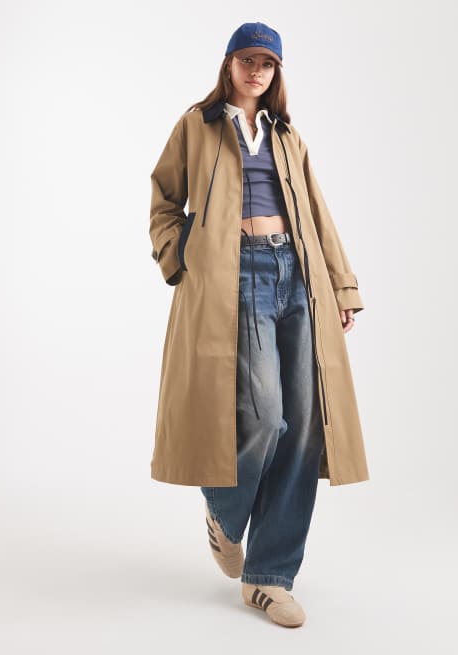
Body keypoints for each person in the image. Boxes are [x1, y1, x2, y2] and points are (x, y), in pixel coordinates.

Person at [149, 21, 369, 628]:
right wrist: (180, 257)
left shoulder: (286, 134)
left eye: (267, 64)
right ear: (229, 64)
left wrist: (341, 286)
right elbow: (164, 198)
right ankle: (225, 512)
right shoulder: (197, 125)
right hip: (236, 274)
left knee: (303, 427)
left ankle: (269, 578)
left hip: (297, 274)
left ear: (276, 73)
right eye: (248, 60)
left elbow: (317, 214)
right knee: (266, 414)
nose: (256, 72)